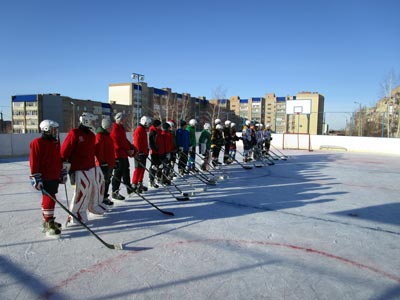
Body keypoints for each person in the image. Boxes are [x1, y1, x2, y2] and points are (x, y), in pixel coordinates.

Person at [61, 112, 105, 226]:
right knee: (80, 192)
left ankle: (87, 209)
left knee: (89, 191)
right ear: (86, 121)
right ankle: (74, 214)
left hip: (89, 168)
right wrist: (63, 162)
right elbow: (65, 150)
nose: (94, 123)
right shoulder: (74, 133)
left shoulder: (91, 135)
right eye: (92, 121)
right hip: (77, 169)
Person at [30, 119, 67, 237]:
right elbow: (34, 161)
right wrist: (36, 177)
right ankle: (48, 222)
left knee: (51, 198)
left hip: (54, 175)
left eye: (56, 129)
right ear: (46, 129)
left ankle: (48, 219)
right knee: (49, 198)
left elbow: (58, 158)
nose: (55, 132)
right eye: (53, 129)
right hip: (45, 176)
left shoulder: (55, 142)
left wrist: (62, 172)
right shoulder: (37, 142)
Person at [110, 112, 135, 201]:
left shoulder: (121, 128)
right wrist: (127, 149)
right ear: (119, 119)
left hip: (123, 154)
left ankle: (129, 188)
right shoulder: (115, 130)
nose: (125, 120)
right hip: (118, 155)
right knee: (118, 173)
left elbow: (124, 140)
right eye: (123, 119)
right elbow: (117, 144)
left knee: (126, 171)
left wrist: (130, 146)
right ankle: (115, 192)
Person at [95, 117, 115, 207]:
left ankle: (104, 197)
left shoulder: (107, 136)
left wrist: (114, 161)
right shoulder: (100, 136)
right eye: (110, 127)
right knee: (102, 182)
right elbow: (99, 151)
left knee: (107, 181)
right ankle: (100, 199)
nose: (112, 129)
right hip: (103, 164)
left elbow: (110, 150)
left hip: (109, 163)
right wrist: (102, 162)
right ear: (106, 127)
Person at [132, 115, 151, 193]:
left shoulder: (143, 130)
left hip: (143, 153)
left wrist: (146, 150)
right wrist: (138, 152)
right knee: (138, 169)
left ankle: (140, 183)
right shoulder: (138, 130)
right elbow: (136, 143)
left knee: (142, 169)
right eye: (148, 123)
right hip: (139, 154)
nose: (149, 125)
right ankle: (134, 183)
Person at [148, 119, 163, 188]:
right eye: (160, 125)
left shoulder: (158, 131)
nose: (161, 126)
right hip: (154, 152)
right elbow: (151, 143)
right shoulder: (153, 132)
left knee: (160, 165)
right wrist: (155, 149)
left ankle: (158, 178)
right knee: (153, 166)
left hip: (159, 151)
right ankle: (151, 180)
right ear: (157, 125)